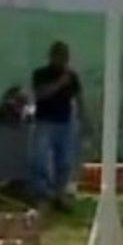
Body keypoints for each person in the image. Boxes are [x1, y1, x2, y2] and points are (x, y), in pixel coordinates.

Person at [29, 41, 83, 207]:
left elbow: (79, 97)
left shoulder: (72, 76)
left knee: (65, 162)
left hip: (65, 123)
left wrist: (82, 117)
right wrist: (59, 83)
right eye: (59, 56)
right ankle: (42, 194)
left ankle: (60, 194)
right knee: (40, 160)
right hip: (44, 122)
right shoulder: (41, 74)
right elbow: (40, 94)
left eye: (65, 57)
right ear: (52, 56)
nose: (62, 60)